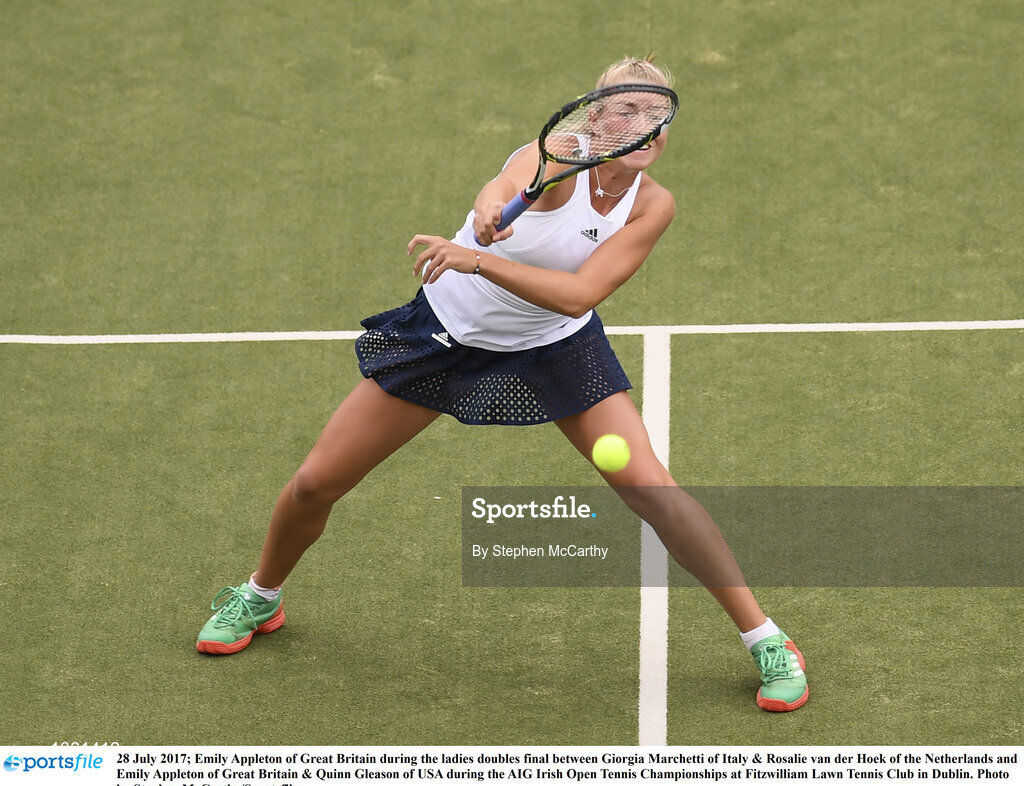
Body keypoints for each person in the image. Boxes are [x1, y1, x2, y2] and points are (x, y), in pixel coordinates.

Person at [196, 56, 808, 713]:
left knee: (652, 489)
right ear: (596, 119)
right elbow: (502, 184)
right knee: (317, 482)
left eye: (658, 116)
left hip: (554, 347)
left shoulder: (652, 206)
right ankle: (260, 596)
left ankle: (767, 639)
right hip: (446, 338)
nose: (648, 127)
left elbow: (578, 296)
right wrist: (489, 212)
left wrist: (480, 258)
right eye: (630, 111)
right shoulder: (550, 161)